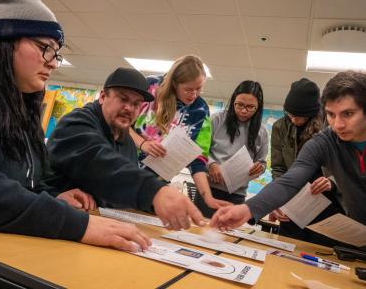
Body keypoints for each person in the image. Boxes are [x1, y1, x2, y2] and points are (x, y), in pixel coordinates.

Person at [0, 0, 151, 255]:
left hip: (0, 245)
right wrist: (76, 224)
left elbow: (25, 179)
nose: (53, 63)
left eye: (56, 53)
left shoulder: (20, 101)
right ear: (5, 39)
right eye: (46, 49)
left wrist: (52, 196)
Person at [211, 71, 366, 256]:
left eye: (348, 114)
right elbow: (290, 180)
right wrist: (248, 209)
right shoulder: (325, 141)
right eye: (330, 114)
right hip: (358, 241)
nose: (337, 125)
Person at [45, 67, 205, 231]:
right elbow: (101, 165)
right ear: (102, 96)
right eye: (123, 99)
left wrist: (158, 205)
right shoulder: (77, 122)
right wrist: (154, 191)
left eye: (136, 104)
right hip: (53, 219)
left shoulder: (126, 140)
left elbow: (121, 192)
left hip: (93, 223)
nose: (129, 108)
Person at [129, 55, 232, 213]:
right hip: (125, 173)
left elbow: (197, 159)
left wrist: (207, 198)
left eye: (199, 89)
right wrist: (143, 144)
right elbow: (121, 124)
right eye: (188, 89)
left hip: (156, 186)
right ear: (174, 84)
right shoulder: (150, 87)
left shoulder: (199, 109)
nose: (194, 94)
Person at [270, 78, 343, 245]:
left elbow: (345, 168)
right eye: (290, 115)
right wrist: (277, 200)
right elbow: (279, 168)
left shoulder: (331, 128)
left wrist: (331, 181)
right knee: (286, 250)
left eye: (300, 116)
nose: (294, 120)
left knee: (320, 254)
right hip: (293, 204)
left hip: (326, 205)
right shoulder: (279, 127)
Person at [195, 81, 268, 218]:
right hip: (208, 188)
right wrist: (211, 164)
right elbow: (199, 149)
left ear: (258, 108)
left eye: (250, 107)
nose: (244, 110)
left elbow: (262, 163)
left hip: (236, 195)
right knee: (199, 231)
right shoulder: (217, 119)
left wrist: (260, 168)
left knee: (227, 235)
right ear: (233, 100)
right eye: (239, 104)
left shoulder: (262, 132)